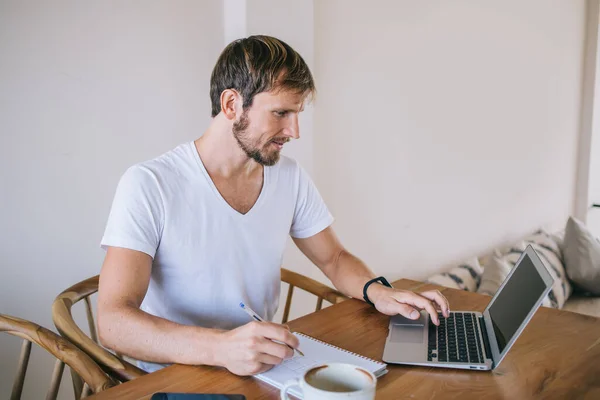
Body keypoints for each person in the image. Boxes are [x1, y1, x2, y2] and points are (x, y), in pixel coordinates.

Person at [97, 35, 449, 376]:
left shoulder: (288, 176)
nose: (294, 131)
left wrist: (379, 293)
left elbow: (334, 258)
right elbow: (113, 322)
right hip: (176, 374)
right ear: (231, 105)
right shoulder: (150, 183)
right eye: (281, 113)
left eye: (296, 114)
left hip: (264, 366)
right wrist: (222, 348)